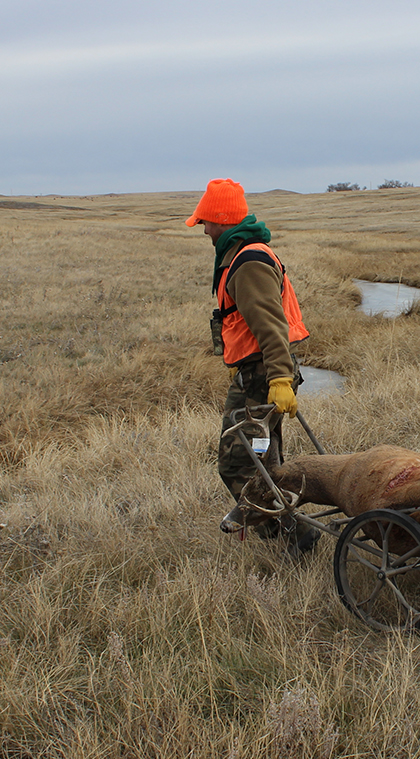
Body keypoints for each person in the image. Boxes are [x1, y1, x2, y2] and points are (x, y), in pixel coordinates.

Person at [186, 178, 310, 538]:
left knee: (237, 463)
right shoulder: (241, 255)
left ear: (222, 220)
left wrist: (280, 380)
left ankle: (288, 534)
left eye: (206, 222)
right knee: (267, 460)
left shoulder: (248, 262)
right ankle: (292, 532)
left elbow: (271, 327)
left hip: (264, 377)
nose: (204, 230)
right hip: (256, 372)